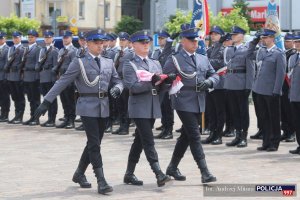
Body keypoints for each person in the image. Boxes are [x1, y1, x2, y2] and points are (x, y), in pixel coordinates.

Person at [34, 29, 123, 194]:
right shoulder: (79, 62)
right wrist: (46, 101)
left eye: (101, 42)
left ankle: (79, 173)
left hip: (104, 107)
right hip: (87, 106)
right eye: (96, 42)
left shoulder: (108, 61)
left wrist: (118, 88)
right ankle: (101, 180)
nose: (100, 45)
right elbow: (63, 81)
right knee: (95, 144)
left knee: (93, 143)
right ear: (87, 43)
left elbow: (117, 80)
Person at [163, 24, 219, 183]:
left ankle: (172, 167)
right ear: (183, 41)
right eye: (191, 41)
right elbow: (164, 78)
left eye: (196, 41)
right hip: (183, 100)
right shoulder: (174, 58)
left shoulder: (202, 57)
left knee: (187, 135)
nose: (195, 43)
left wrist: (209, 81)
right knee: (195, 135)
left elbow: (214, 74)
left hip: (200, 99)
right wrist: (169, 77)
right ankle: (204, 171)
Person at [122, 30, 171, 187]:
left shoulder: (155, 63)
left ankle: (129, 174)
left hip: (152, 106)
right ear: (134, 45)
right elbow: (133, 87)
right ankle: (158, 173)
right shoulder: (130, 64)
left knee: (140, 140)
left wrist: (168, 82)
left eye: (147, 42)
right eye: (142, 42)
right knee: (148, 140)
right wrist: (151, 81)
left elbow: (160, 86)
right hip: (138, 106)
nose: (145, 45)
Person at [248, 28, 286, 152]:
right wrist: (254, 42)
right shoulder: (261, 51)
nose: (263, 40)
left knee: (273, 118)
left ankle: (274, 143)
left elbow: (280, 74)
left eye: (265, 38)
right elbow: (249, 55)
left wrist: (276, 90)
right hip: (259, 89)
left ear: (272, 38)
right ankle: (266, 141)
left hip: (271, 91)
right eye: (262, 38)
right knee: (263, 118)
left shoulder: (279, 53)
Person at [224, 26, 254, 148]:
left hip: (241, 85)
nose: (233, 36)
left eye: (235, 34)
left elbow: (251, 70)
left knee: (243, 112)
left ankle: (243, 137)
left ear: (242, 36)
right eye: (232, 34)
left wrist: (248, 86)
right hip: (230, 84)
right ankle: (237, 135)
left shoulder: (247, 49)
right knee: (234, 111)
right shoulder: (229, 50)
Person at [202, 26, 226, 145]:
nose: (213, 36)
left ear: (221, 36)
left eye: (216, 34)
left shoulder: (223, 49)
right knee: (211, 110)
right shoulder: (210, 49)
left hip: (219, 84)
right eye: (212, 34)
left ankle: (219, 135)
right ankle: (212, 133)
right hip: (210, 83)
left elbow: (219, 62)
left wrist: (206, 62)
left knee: (219, 111)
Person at [152, 30, 176, 140]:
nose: (160, 40)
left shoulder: (172, 51)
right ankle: (164, 128)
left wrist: (170, 41)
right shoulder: (157, 52)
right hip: (160, 82)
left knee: (168, 107)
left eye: (163, 38)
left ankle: (169, 130)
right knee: (162, 106)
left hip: (169, 82)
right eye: (159, 38)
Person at [52, 30, 78, 129]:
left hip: (69, 80)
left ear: (71, 38)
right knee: (64, 100)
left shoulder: (74, 50)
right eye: (63, 38)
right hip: (61, 79)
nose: (65, 39)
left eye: (66, 38)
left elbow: (74, 67)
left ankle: (71, 120)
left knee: (70, 101)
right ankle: (66, 118)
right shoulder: (61, 51)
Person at [35, 30, 59, 127]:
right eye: (45, 37)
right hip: (43, 77)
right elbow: (39, 62)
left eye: (48, 37)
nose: (47, 39)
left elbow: (56, 65)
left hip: (50, 77)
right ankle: (49, 118)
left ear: (52, 38)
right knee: (45, 98)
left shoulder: (54, 50)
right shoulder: (42, 50)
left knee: (51, 99)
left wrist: (53, 77)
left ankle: (52, 119)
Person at [4, 31, 26, 124]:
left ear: (20, 38)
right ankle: (16, 115)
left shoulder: (23, 49)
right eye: (14, 38)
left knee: (20, 97)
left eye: (17, 37)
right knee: (14, 97)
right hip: (10, 77)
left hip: (18, 76)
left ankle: (19, 116)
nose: (15, 39)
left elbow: (23, 62)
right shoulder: (10, 49)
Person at [112, 31, 131, 135]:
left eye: (124, 40)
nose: (122, 42)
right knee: (119, 105)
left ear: (128, 41)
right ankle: (121, 125)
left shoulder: (130, 53)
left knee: (125, 106)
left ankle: (125, 127)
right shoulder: (118, 53)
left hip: (125, 83)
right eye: (121, 40)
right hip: (117, 82)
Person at [22, 29, 41, 126]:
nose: (30, 38)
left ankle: (36, 118)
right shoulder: (26, 48)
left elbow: (38, 63)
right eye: (29, 37)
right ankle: (31, 116)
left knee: (35, 99)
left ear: (36, 37)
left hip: (34, 77)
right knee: (30, 99)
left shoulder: (38, 48)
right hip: (26, 77)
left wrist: (27, 67)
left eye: (32, 37)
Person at [280, 33, 297, 142]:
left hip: (290, 85)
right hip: (282, 85)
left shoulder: (294, 54)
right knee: (283, 110)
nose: (286, 43)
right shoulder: (284, 53)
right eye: (285, 41)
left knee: (290, 111)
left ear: (293, 42)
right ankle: (285, 131)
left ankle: (292, 132)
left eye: (288, 41)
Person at [288, 32, 300, 155]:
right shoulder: (292, 57)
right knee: (297, 122)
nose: (297, 44)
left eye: (298, 42)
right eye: (295, 42)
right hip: (294, 95)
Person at [75, 31, 87, 131]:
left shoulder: (90, 51)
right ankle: (83, 121)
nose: (82, 42)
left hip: (88, 81)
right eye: (81, 40)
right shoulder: (78, 51)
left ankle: (86, 123)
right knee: (80, 101)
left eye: (84, 40)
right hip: (79, 81)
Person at [0, 31, 10, 122]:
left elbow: (7, 64)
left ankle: (5, 114)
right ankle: (1, 113)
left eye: (1, 38)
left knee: (4, 97)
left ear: (4, 39)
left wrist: (6, 77)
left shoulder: (7, 49)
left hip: (3, 76)